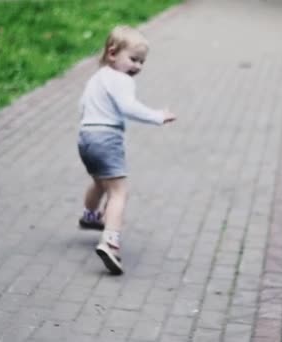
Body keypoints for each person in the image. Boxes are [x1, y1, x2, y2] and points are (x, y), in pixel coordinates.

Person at [77, 25, 176, 275]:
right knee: (119, 192)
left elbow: (83, 105)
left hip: (86, 137)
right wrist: (157, 116)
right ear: (112, 53)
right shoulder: (120, 80)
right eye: (133, 59)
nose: (138, 67)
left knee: (100, 182)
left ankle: (90, 216)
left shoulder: (97, 77)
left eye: (142, 62)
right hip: (107, 138)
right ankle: (110, 242)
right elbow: (127, 107)